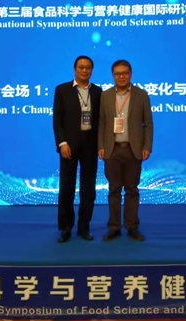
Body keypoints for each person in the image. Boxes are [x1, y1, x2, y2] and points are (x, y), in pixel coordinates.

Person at [98, 60, 153, 241]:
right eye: (117, 73)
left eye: (125, 73)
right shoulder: (105, 96)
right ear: (113, 75)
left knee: (131, 189)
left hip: (133, 149)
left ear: (130, 74)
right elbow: (102, 123)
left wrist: (147, 146)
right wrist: (101, 146)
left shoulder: (141, 95)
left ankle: (132, 226)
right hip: (112, 150)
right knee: (113, 190)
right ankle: (114, 227)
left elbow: (148, 124)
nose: (121, 76)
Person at [53, 56, 102, 243]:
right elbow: (57, 120)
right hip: (69, 146)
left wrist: (101, 145)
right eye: (81, 67)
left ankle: (84, 227)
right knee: (67, 187)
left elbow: (101, 121)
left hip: (90, 146)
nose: (84, 70)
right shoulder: (62, 90)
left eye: (88, 67)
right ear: (75, 69)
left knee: (88, 189)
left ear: (92, 70)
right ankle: (66, 227)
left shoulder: (97, 92)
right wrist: (62, 143)